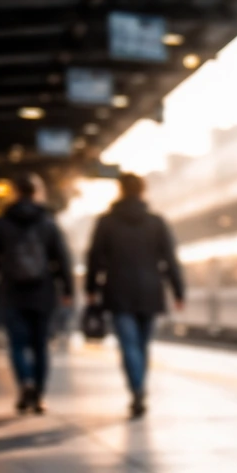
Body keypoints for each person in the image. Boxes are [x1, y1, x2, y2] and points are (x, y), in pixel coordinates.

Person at [85, 173, 184, 418]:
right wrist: (178, 291)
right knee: (142, 345)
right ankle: (140, 388)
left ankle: (136, 390)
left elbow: (94, 258)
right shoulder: (157, 222)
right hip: (151, 291)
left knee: (128, 345)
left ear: (119, 191)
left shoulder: (106, 222)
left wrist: (90, 289)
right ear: (143, 190)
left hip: (118, 290)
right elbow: (170, 259)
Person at [0, 175, 72, 414]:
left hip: (12, 292)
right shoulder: (48, 222)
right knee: (40, 345)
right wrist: (68, 289)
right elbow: (62, 258)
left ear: (16, 193)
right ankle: (39, 395)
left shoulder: (2, 223)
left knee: (17, 344)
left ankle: (25, 384)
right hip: (43, 292)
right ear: (37, 192)